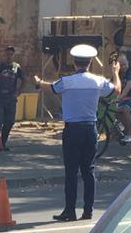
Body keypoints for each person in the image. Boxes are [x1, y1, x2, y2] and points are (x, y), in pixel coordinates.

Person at [34, 43, 113, 221]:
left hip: (73, 130)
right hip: (90, 128)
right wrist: (115, 72)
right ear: (90, 63)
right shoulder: (98, 81)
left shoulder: (68, 81)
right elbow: (115, 89)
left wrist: (38, 82)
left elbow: (51, 88)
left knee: (71, 171)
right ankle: (88, 210)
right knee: (89, 170)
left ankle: (70, 210)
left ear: (75, 63)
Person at [0, 45, 25, 150]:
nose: (9, 56)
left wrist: (18, 92)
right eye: (7, 54)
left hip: (11, 98)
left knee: (9, 121)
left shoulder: (16, 67)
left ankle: (3, 143)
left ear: (13, 55)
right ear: (4, 54)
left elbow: (24, 79)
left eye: (11, 54)